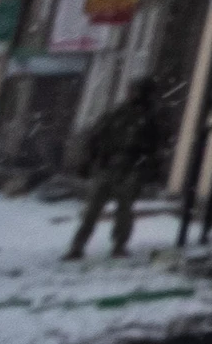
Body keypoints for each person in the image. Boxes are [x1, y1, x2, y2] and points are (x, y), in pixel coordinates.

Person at [64, 79, 172, 260]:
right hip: (109, 166)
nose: (133, 95)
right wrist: (87, 160)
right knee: (93, 209)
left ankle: (119, 245)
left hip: (132, 168)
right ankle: (78, 246)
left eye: (137, 91)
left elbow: (158, 146)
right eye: (133, 91)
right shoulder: (117, 114)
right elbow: (95, 137)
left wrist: (151, 168)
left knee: (123, 210)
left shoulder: (153, 118)